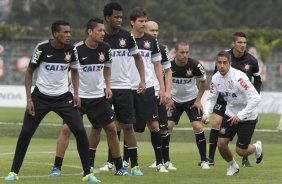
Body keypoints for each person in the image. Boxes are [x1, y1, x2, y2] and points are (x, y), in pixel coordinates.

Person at [4, 20, 98, 182]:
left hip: (63, 98)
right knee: (26, 133)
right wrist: (29, 99)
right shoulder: (42, 48)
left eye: (69, 32)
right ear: (55, 34)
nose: (69, 35)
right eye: (65, 32)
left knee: (80, 132)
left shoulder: (71, 50)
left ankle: (88, 173)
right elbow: (29, 72)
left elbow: (75, 72)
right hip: (40, 98)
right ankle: (14, 172)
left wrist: (76, 93)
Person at [49, 18, 132, 178]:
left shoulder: (105, 48)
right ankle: (56, 168)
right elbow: (66, 71)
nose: (103, 33)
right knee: (66, 129)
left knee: (112, 129)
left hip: (98, 98)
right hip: (77, 98)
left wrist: (107, 87)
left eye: (103, 30)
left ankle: (119, 168)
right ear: (90, 32)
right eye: (99, 31)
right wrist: (72, 92)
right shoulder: (75, 49)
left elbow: (107, 68)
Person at [89, 2, 146, 176]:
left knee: (128, 126)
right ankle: (89, 165)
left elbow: (138, 58)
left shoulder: (127, 37)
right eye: (116, 17)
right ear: (107, 17)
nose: (119, 20)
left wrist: (142, 80)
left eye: (121, 17)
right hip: (102, 88)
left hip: (123, 87)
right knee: (97, 126)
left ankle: (134, 165)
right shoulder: (99, 36)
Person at [203, 51, 263, 176]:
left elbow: (256, 98)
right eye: (219, 62)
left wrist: (241, 115)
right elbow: (212, 97)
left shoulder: (239, 77)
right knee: (221, 144)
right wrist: (207, 114)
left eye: (225, 62)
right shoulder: (215, 78)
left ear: (230, 63)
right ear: (216, 63)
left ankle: (257, 147)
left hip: (247, 116)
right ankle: (233, 166)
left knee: (241, 151)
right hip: (230, 114)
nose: (222, 65)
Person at [128, 7, 167, 173]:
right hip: (127, 87)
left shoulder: (151, 41)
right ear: (132, 22)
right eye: (141, 21)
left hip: (148, 88)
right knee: (126, 125)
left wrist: (163, 88)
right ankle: (125, 162)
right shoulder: (124, 39)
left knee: (154, 125)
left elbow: (158, 65)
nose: (144, 24)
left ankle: (160, 163)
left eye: (145, 21)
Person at [166, 41, 210, 169]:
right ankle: (166, 161)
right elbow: (161, 81)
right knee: (167, 126)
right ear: (175, 53)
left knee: (197, 126)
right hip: (173, 100)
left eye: (187, 52)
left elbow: (203, 82)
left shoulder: (195, 65)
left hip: (191, 100)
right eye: (182, 52)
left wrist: (198, 100)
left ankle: (204, 161)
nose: (185, 55)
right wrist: (168, 97)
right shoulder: (168, 65)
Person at [144, 20, 175, 170]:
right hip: (141, 92)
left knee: (163, 128)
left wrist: (167, 92)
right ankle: (123, 162)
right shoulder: (135, 46)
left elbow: (168, 72)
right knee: (129, 126)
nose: (155, 33)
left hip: (159, 94)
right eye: (152, 30)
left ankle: (164, 161)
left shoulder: (162, 49)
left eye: (156, 30)